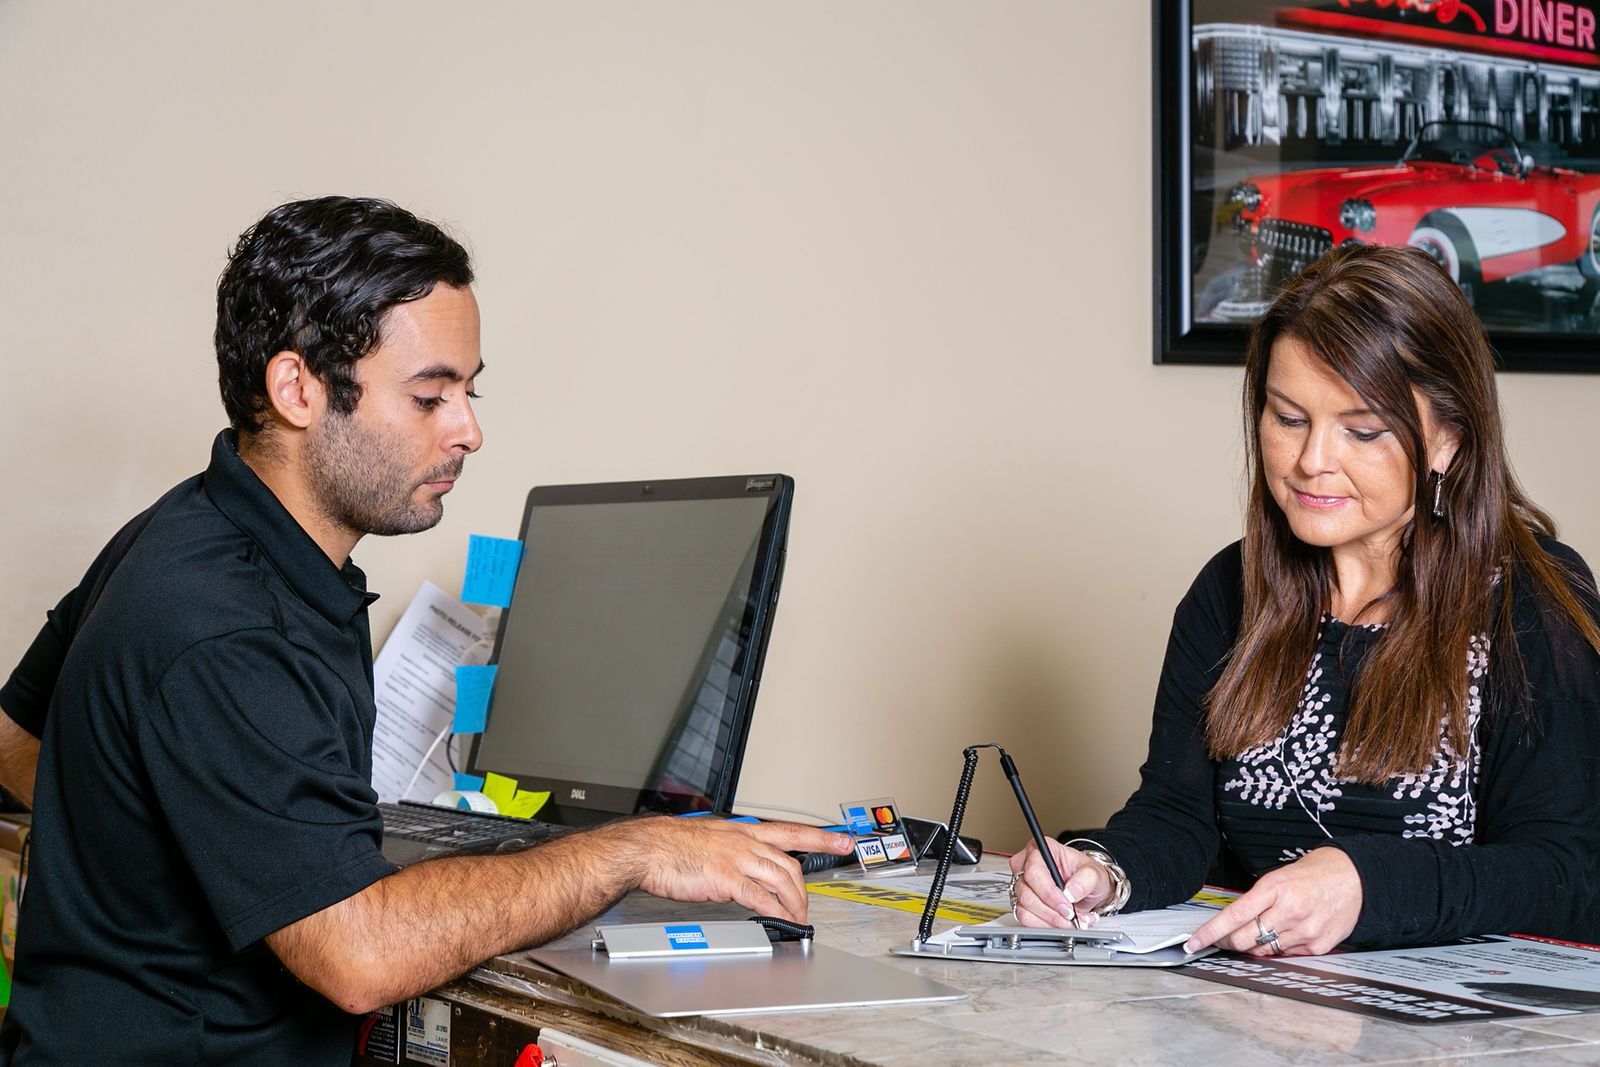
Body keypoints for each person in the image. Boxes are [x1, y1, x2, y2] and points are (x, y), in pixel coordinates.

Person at [0, 196, 851, 1064]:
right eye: (430, 395)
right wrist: (630, 851)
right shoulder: (227, 622)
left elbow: (11, 738)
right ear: (297, 390)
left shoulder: (180, 531)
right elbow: (361, 958)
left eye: (469, 391)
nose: (469, 430)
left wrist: (183, 833)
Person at [1011, 244, 1600, 957]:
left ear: (1449, 438)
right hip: (1265, 1002)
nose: (1311, 461)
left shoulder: (1530, 602)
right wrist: (1100, 871)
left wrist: (1364, 885)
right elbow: (1176, 818)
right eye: (1289, 419)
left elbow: (1566, 873)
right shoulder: (1229, 591)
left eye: (1362, 431)